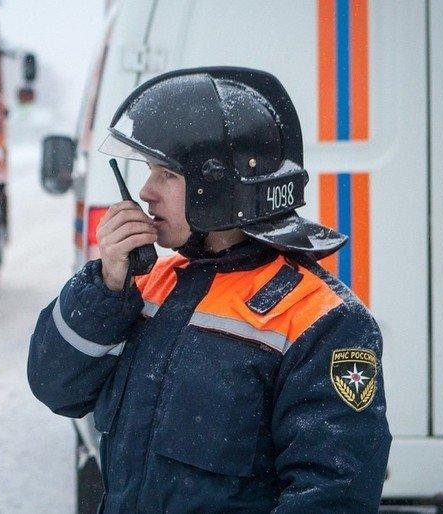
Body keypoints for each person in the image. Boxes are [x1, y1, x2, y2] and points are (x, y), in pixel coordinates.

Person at [27, 67, 391, 512]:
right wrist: (106, 284)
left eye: (166, 174)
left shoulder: (320, 319)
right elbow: (56, 388)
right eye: (148, 172)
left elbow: (334, 497)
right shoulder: (151, 285)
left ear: (219, 187)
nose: (145, 191)